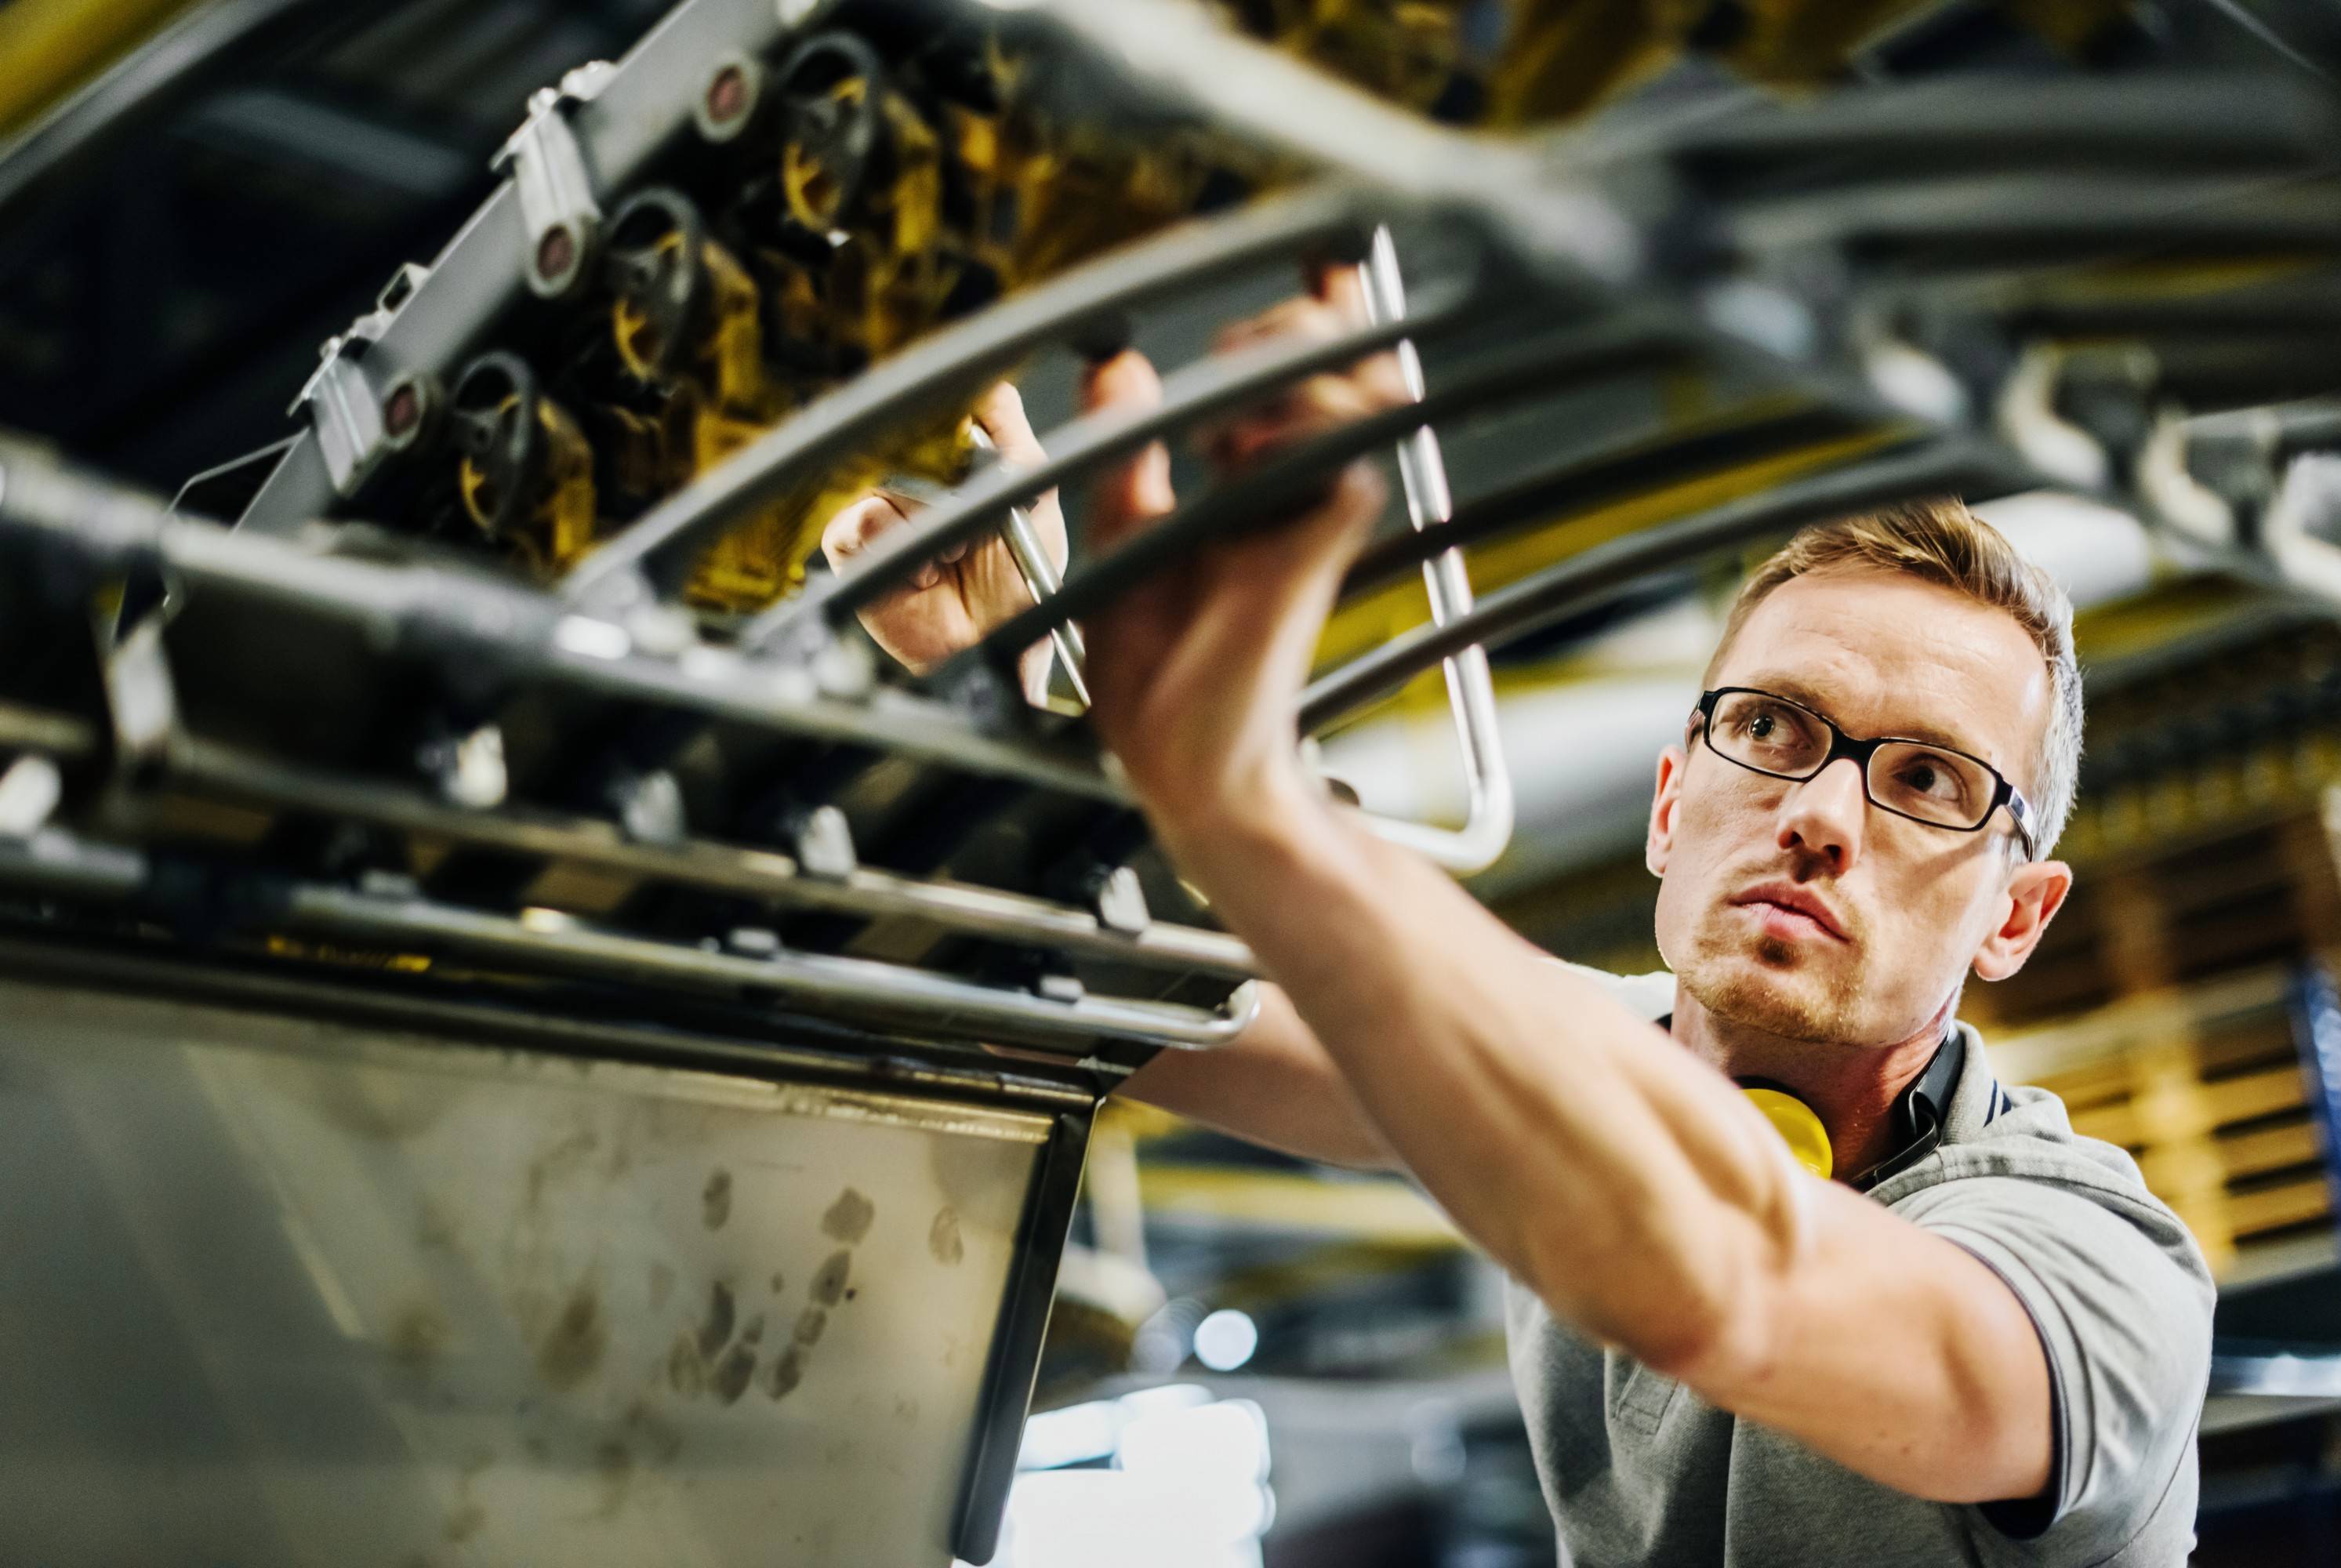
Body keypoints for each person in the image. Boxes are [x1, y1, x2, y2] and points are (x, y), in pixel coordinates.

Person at [822, 270, 2214, 1566]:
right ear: (1673, 806)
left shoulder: (2097, 1273)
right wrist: (1013, 722)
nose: (1826, 814)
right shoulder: (1591, 1053)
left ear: (2015, 916)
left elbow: (1716, 1276)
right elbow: (1143, 1001)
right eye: (1774, 728)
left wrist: (1246, 797)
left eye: (1928, 779)